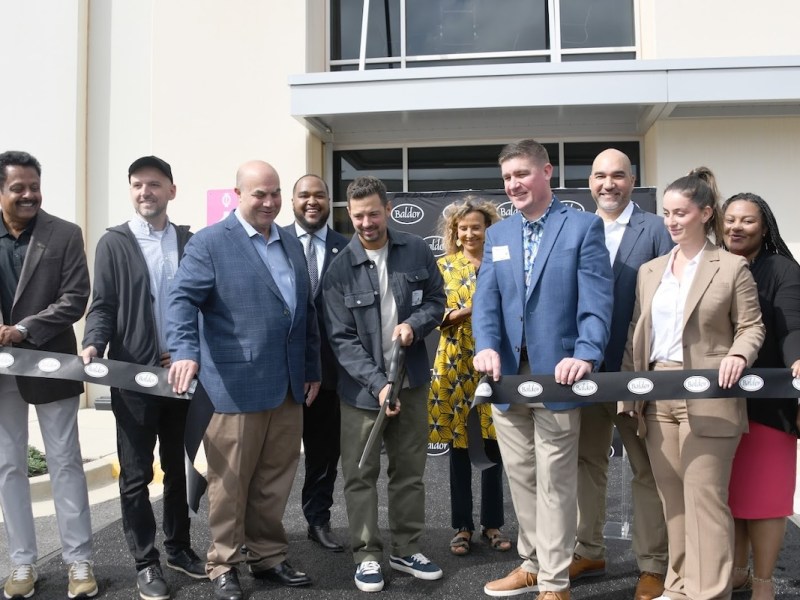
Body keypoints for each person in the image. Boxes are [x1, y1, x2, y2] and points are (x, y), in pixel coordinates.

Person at [167, 160, 321, 600]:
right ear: (238, 194)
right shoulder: (210, 242)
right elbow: (181, 300)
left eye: (275, 193)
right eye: (260, 194)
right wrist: (184, 352)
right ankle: (224, 563)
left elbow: (304, 313)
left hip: (288, 385)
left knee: (275, 479)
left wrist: (311, 368)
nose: (269, 202)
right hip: (233, 386)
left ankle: (268, 557)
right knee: (229, 483)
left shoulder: (290, 242)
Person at [472, 139, 614, 600]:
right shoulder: (498, 236)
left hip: (559, 375)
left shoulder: (582, 227)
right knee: (522, 476)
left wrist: (587, 353)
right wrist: (487, 347)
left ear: (547, 172)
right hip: (507, 377)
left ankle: (554, 582)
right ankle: (532, 563)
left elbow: (597, 303)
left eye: (522, 174)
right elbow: (486, 305)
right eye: (508, 177)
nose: (513, 184)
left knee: (554, 478)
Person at [621, 168, 765, 600]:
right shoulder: (650, 271)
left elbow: (752, 327)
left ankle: (709, 591)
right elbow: (635, 333)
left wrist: (739, 355)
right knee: (673, 501)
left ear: (705, 213)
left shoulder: (732, 266)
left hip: (711, 392)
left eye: (680, 213)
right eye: (666, 213)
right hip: (656, 392)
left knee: (705, 499)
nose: (671, 221)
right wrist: (631, 393)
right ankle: (679, 585)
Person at [81, 156, 206, 599]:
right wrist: (94, 341)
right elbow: (103, 304)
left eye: (154, 184)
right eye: (137, 185)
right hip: (133, 374)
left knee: (178, 467)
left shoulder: (192, 242)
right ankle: (146, 561)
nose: (144, 192)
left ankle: (179, 548)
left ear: (172, 190)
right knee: (135, 473)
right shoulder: (114, 243)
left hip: (180, 374)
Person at [322, 175, 445, 593]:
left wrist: (415, 323)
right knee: (360, 474)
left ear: (388, 209)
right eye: (357, 216)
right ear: (349, 215)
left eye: (373, 213)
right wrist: (377, 385)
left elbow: (436, 301)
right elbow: (342, 339)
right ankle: (367, 554)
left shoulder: (416, 251)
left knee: (409, 472)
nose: (366, 222)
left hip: (410, 384)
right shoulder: (339, 270)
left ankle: (406, 548)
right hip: (362, 393)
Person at [573, 149, 671, 600]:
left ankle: (653, 565)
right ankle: (588, 550)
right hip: (585, 373)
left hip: (638, 375)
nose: (607, 184)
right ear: (589, 182)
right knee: (585, 464)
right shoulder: (575, 228)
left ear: (633, 181)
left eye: (617, 175)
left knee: (646, 470)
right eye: (599, 176)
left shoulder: (656, 229)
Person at [0, 150, 97, 599]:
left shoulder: (64, 234)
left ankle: (79, 561)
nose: (29, 194)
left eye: (34, 186)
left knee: (65, 461)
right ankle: (22, 564)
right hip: (0, 372)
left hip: (49, 362)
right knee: (8, 465)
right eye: (18, 187)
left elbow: (75, 297)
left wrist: (23, 329)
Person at [722, 193, 800, 600]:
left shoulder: (783, 270)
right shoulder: (712, 265)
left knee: (766, 499)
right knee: (730, 498)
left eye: (747, 221)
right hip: (718, 402)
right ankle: (736, 571)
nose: (736, 227)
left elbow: (791, 327)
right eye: (730, 219)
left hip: (769, 405)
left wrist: (798, 359)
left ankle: (764, 581)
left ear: (764, 228)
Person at [426, 197, 510, 556]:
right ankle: (462, 526)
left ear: (488, 229)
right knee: (459, 448)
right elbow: (432, 314)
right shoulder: (442, 266)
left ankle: (493, 524)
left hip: (494, 364)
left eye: (477, 227)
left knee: (494, 446)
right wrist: (468, 311)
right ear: (455, 233)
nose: (470, 233)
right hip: (455, 366)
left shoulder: (503, 264)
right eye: (464, 228)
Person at [283, 174, 348, 552]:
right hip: (283, 373)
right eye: (304, 195)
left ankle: (317, 520)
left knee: (324, 456)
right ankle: (263, 529)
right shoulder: (270, 242)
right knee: (273, 459)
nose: (312, 201)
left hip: (330, 374)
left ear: (329, 201)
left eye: (320, 195)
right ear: (292, 201)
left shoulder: (347, 247)